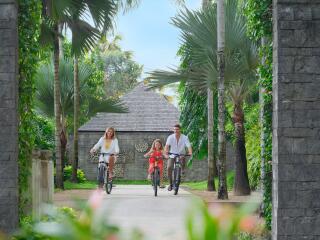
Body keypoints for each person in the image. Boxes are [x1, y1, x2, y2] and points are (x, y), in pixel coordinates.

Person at [164, 124, 192, 191]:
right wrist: (166, 153)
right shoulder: (170, 137)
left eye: (177, 129)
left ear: (180, 130)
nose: (176, 131)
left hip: (181, 154)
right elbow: (167, 146)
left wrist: (190, 152)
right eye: (174, 129)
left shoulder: (185, 137)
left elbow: (188, 146)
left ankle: (182, 170)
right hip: (172, 154)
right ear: (173, 130)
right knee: (169, 167)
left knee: (182, 159)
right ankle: (170, 184)